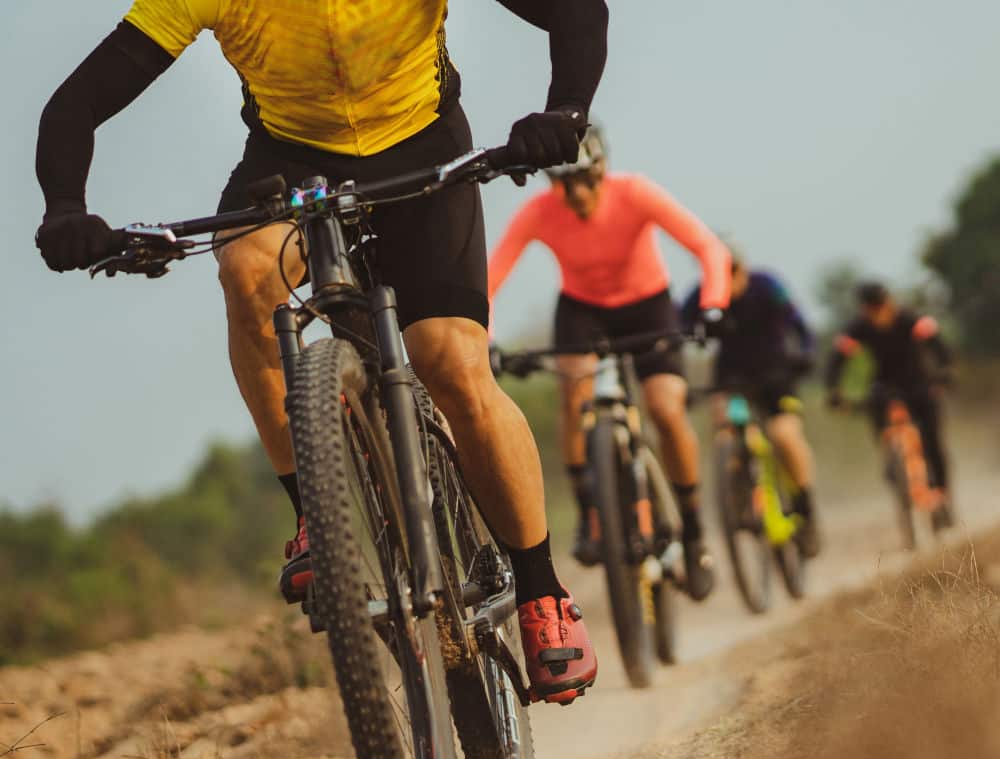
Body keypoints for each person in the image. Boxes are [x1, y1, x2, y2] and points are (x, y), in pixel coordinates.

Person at [34, 0, 610, 706]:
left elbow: (577, 11)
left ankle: (540, 591)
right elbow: (75, 105)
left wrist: (567, 111)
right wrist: (64, 206)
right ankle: (314, 514)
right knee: (246, 276)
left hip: (421, 144)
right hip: (291, 161)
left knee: (451, 362)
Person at [488, 127, 731, 601]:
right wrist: (490, 339)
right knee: (574, 392)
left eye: (583, 180)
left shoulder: (635, 192)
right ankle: (588, 513)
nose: (574, 194)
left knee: (664, 409)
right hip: (583, 310)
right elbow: (490, 279)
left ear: (601, 172)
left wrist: (714, 305)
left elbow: (708, 248)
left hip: (647, 305)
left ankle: (695, 529)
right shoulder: (538, 212)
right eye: (562, 183)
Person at [682, 251, 821, 556]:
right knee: (724, 429)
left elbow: (798, 322)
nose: (727, 278)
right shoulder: (700, 297)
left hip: (776, 375)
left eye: (732, 269)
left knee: (784, 436)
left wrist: (807, 353)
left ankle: (805, 507)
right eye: (716, 271)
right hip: (731, 380)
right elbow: (678, 334)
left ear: (742, 266)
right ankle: (738, 491)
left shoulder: (767, 285)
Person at [826, 281, 955, 525]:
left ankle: (943, 495)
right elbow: (837, 359)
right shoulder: (859, 327)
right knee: (877, 411)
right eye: (871, 309)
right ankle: (891, 460)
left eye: (880, 306)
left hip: (919, 382)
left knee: (933, 440)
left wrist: (945, 371)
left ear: (889, 302)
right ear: (864, 309)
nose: (877, 313)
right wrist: (834, 389)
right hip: (884, 385)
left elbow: (938, 344)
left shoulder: (909, 319)